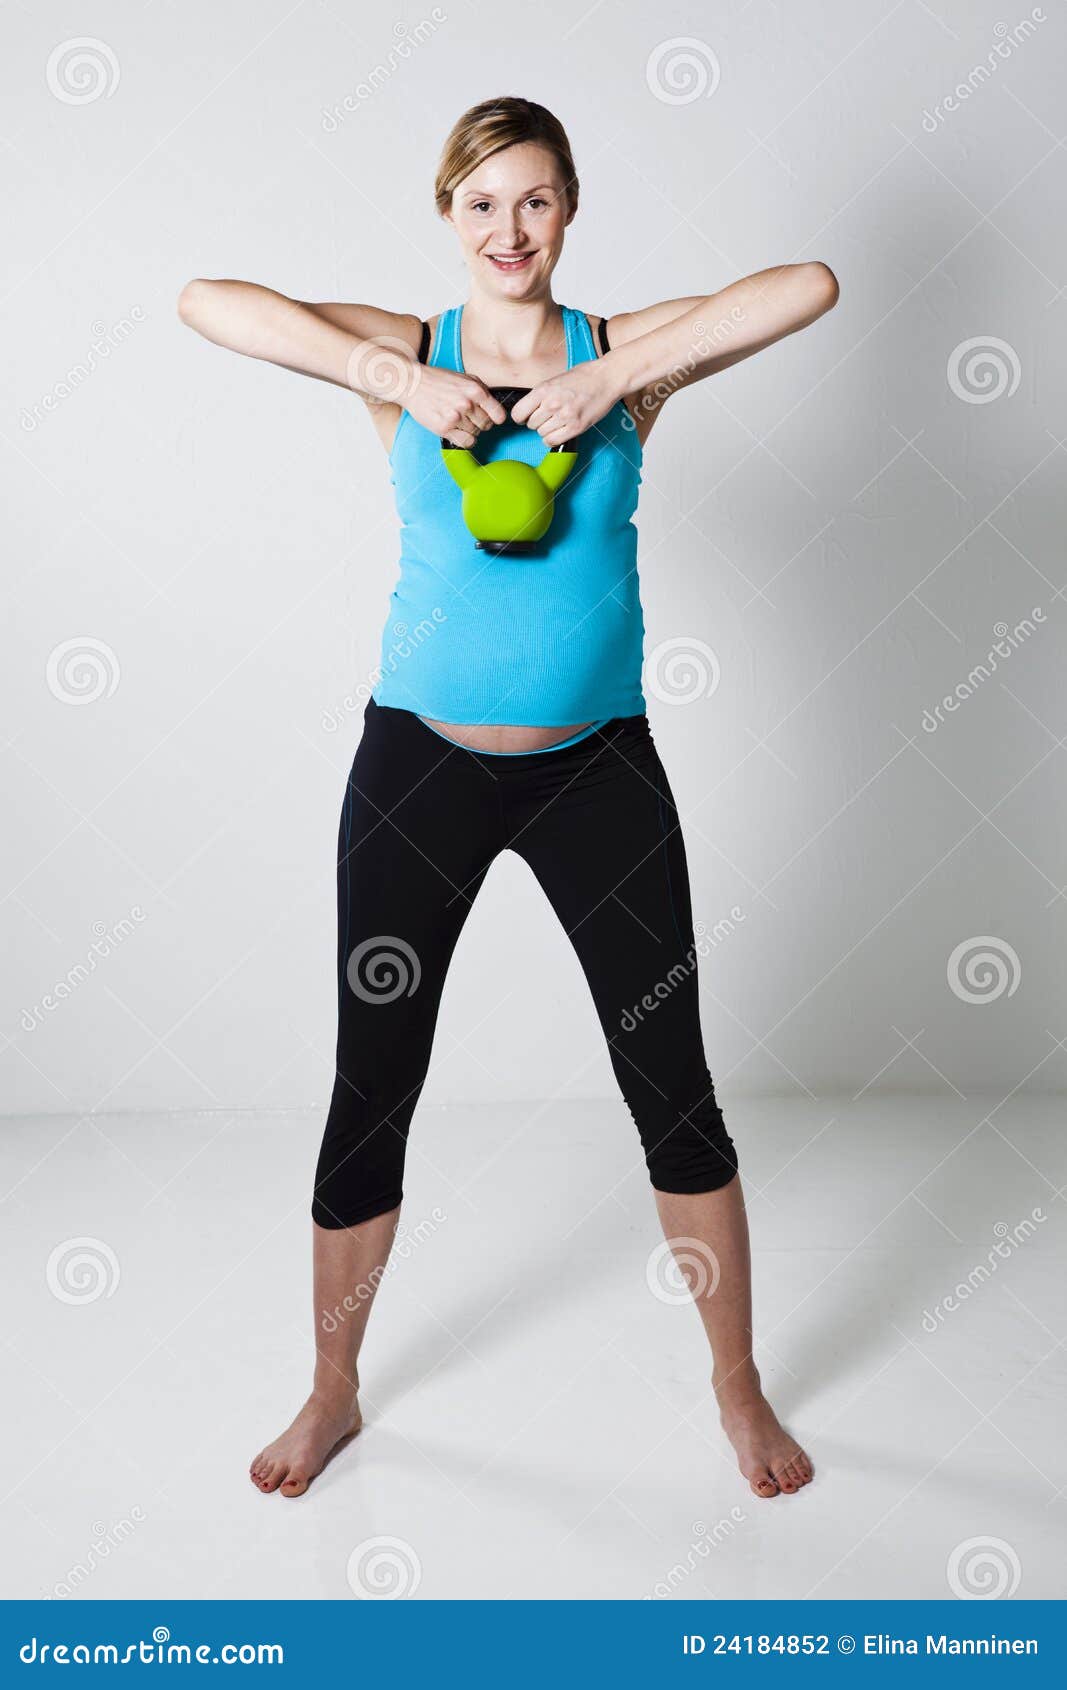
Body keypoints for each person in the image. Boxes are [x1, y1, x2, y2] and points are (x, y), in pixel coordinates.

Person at [178, 96, 839, 1503]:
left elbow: (808, 286)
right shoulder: (409, 353)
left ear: (570, 209)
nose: (509, 228)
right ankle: (333, 1388)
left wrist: (614, 380)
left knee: (673, 1084)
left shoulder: (624, 359)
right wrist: (393, 377)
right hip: (417, 770)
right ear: (447, 214)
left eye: (535, 199)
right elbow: (206, 303)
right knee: (374, 1082)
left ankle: (736, 1384)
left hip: (598, 770)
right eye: (481, 201)